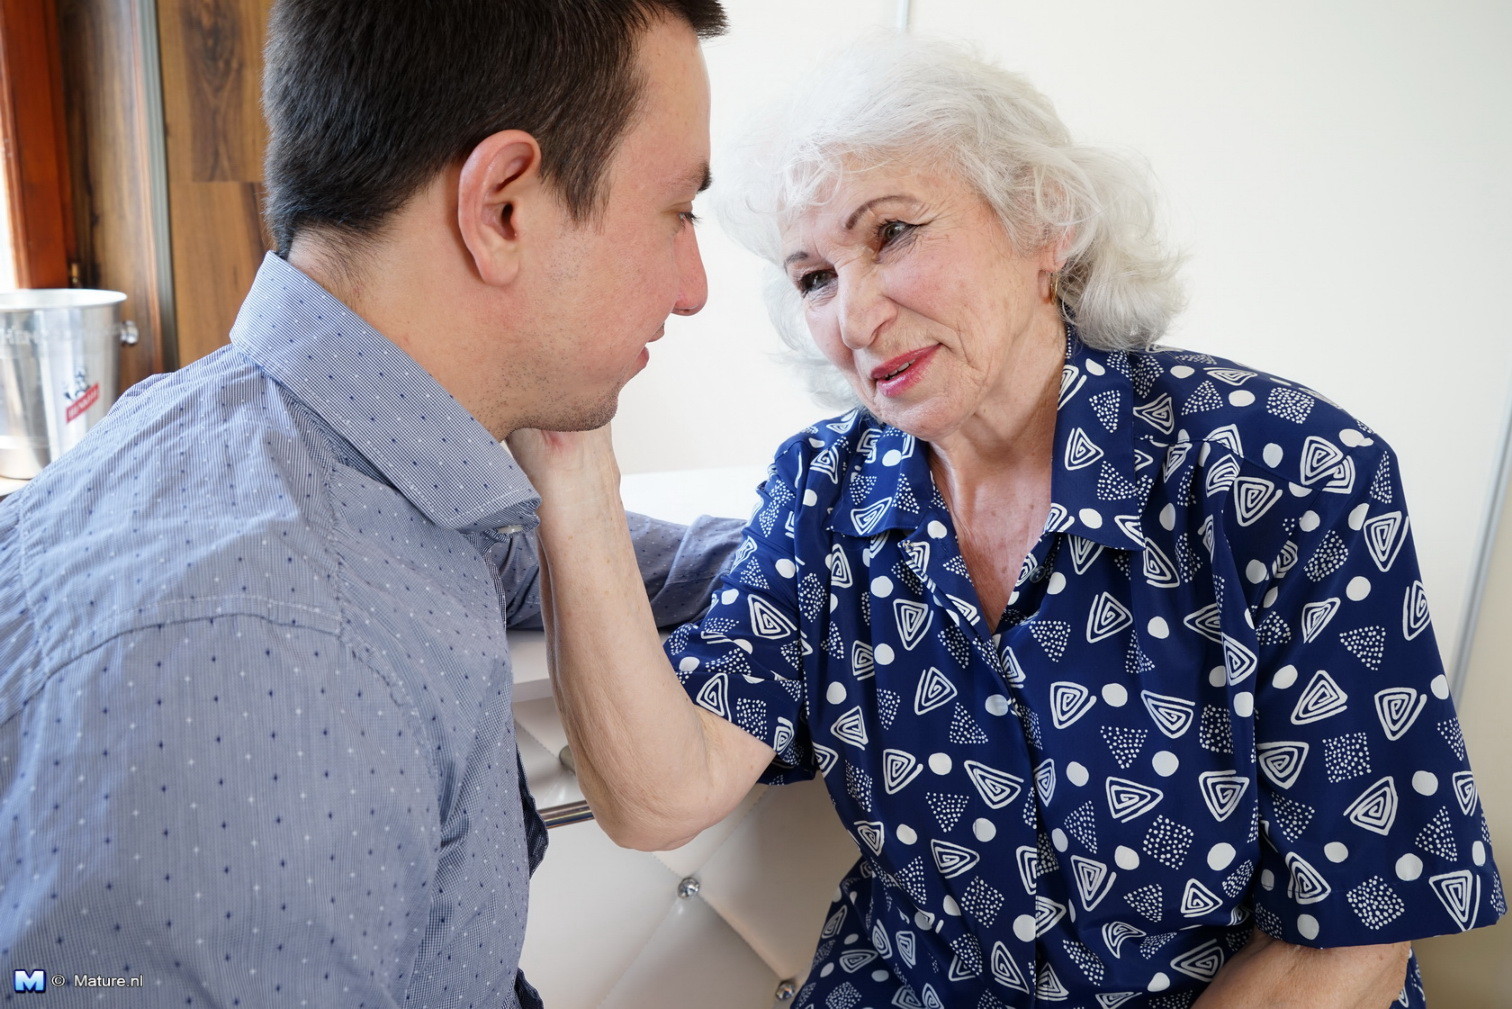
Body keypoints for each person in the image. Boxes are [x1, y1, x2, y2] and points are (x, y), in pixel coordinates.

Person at [506, 33, 1504, 1009]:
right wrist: (572, 447)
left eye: (891, 232)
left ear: (1043, 223)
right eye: (814, 276)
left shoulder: (1285, 473)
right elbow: (658, 795)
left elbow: (1356, 942)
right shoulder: (822, 495)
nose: (853, 318)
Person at [0, 2, 741, 1005]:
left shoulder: (321, 455)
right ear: (503, 207)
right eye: (677, 212)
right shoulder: (272, 655)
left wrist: (834, 545)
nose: (692, 287)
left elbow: (505, 552)